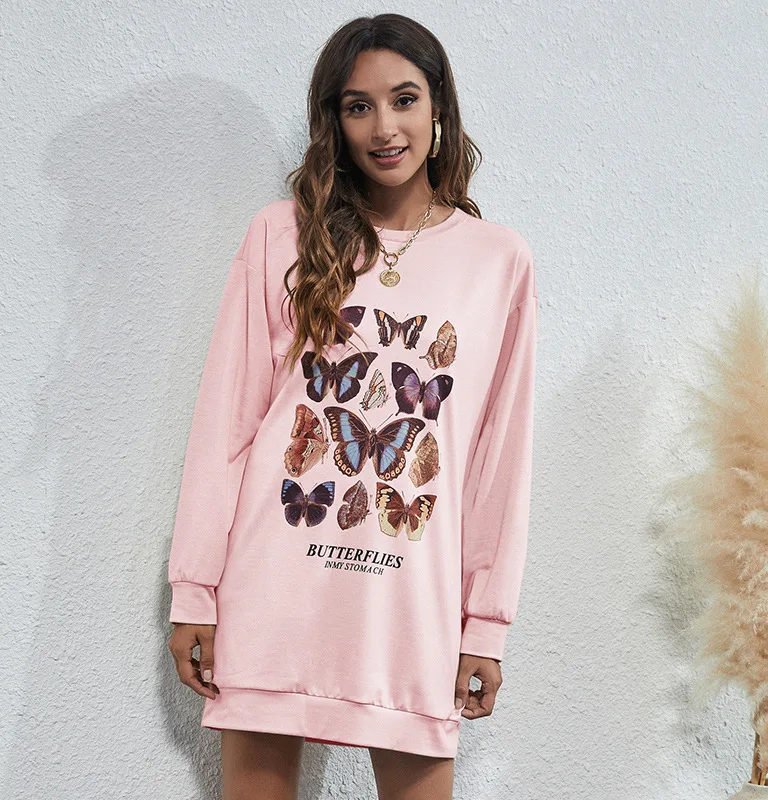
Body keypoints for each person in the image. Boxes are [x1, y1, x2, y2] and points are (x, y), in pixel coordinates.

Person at [167, 12, 538, 800]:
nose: (384, 128)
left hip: (411, 606)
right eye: (357, 106)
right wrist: (194, 590)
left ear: (439, 108)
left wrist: (486, 624)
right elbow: (227, 425)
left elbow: (498, 459)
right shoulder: (283, 235)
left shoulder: (496, 260)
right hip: (274, 586)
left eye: (404, 99)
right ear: (334, 121)